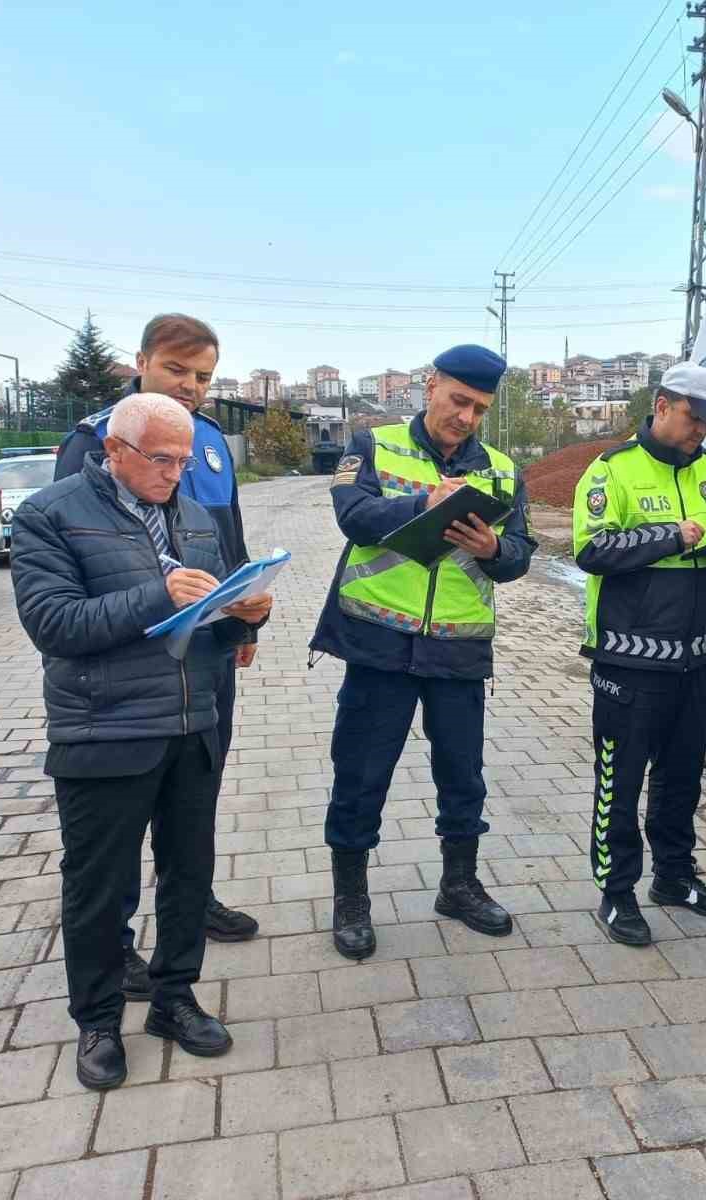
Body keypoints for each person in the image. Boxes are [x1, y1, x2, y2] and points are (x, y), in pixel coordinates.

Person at [13, 393, 275, 1090]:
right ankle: (97, 1021)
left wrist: (246, 616)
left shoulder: (191, 515)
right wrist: (162, 595)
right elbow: (54, 624)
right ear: (116, 450)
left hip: (192, 723)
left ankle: (174, 998)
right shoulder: (50, 514)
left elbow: (208, 619)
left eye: (184, 461)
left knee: (189, 874)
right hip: (105, 729)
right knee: (99, 887)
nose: (176, 474)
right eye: (163, 459)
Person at [54, 314, 261, 1003]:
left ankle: (190, 901)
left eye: (203, 376)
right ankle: (113, 944)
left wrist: (243, 611)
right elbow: (75, 550)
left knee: (192, 799)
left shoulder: (208, 443)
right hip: (122, 670)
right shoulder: (93, 439)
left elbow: (225, 529)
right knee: (110, 839)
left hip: (202, 650)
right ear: (139, 362)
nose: (193, 387)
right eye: (177, 370)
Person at [310, 345, 536, 960]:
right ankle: (351, 897)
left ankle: (459, 885)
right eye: (458, 400)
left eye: (479, 408)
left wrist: (493, 547)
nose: (466, 416)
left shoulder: (500, 469)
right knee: (360, 774)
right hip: (378, 646)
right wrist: (423, 505)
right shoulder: (372, 444)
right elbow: (353, 517)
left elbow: (521, 554)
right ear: (430, 385)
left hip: (459, 651)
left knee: (463, 778)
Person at [571, 363, 706, 946]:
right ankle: (616, 891)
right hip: (630, 661)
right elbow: (591, 549)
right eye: (693, 416)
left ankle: (675, 879)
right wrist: (673, 537)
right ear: (661, 406)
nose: (702, 430)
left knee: (682, 778)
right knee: (620, 780)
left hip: (698, 656)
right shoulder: (612, 471)